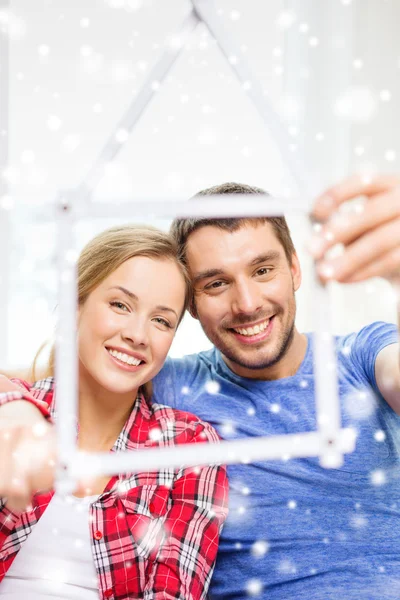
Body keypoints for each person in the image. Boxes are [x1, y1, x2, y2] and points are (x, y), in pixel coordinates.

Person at [2, 173, 399, 599]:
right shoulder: (168, 382)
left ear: (295, 268)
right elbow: (64, 371)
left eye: (263, 270)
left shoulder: (365, 355)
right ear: (192, 305)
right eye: (216, 283)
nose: (246, 304)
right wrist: (14, 404)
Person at [0, 224, 228, 599]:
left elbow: (175, 592)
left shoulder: (190, 446)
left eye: (161, 320)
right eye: (120, 305)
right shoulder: (17, 412)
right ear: (76, 305)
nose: (138, 334)